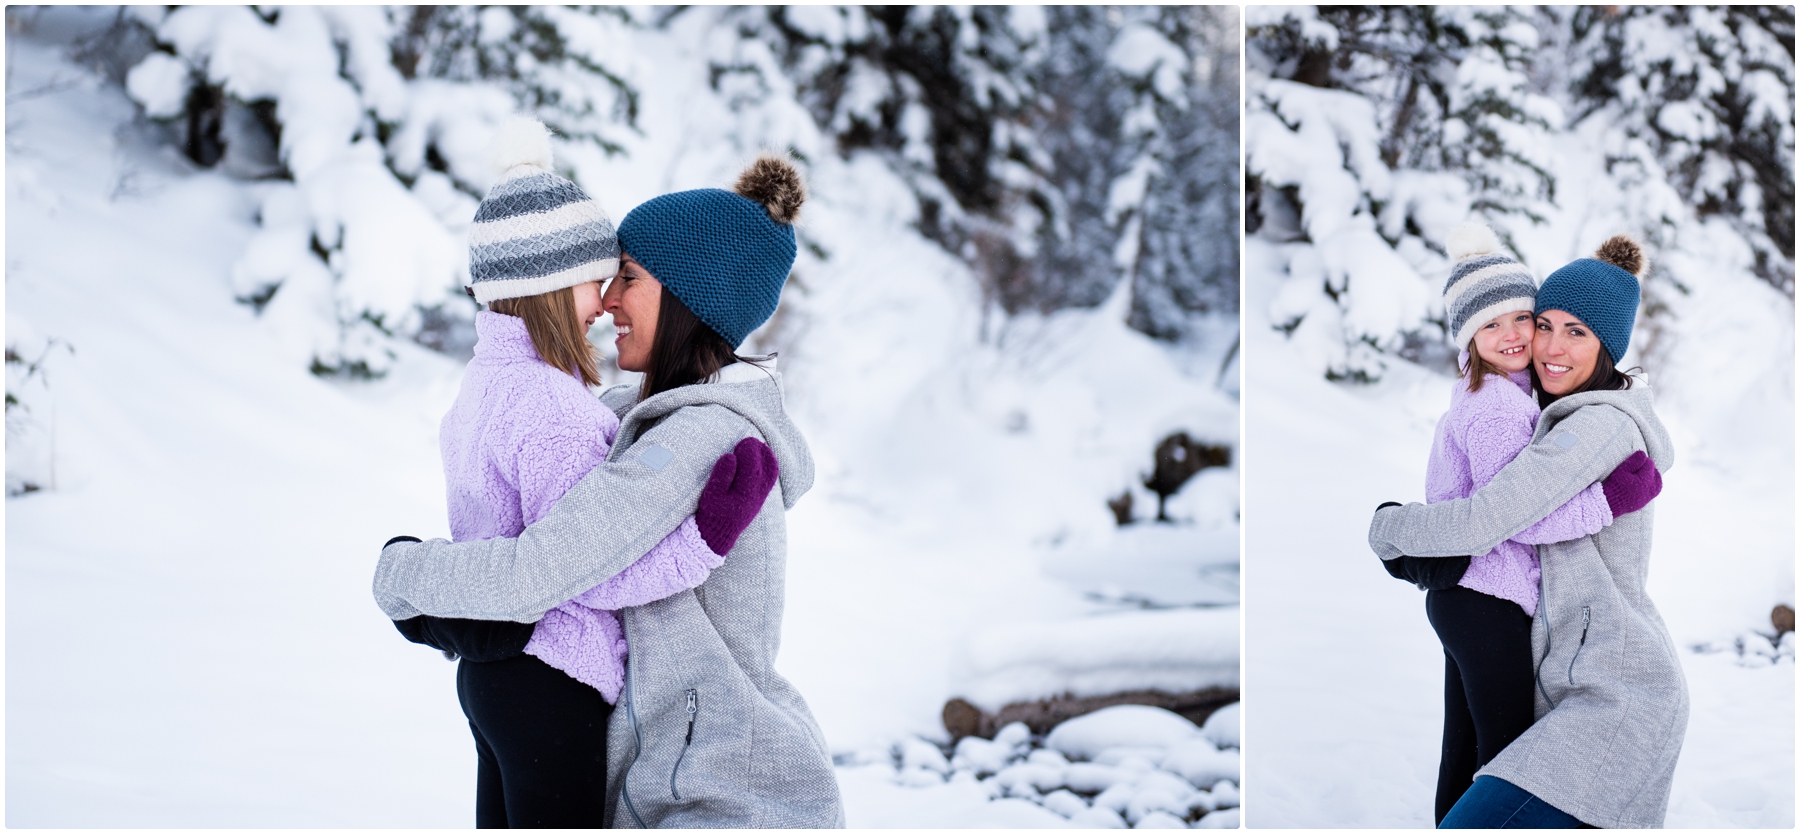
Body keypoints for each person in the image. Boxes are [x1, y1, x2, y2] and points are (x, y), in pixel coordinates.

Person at [374, 150, 845, 828]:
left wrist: (407, 574)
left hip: (718, 795)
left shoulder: (696, 437)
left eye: (628, 276)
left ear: (688, 294)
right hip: (672, 779)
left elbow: (547, 570)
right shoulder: (632, 421)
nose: (608, 299)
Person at [1369, 234, 1682, 828]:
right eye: (1545, 323)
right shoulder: (1520, 406)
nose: (1547, 345)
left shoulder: (1590, 427)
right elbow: (1499, 513)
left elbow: (1494, 517)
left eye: (1577, 332)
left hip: (1609, 686)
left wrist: (1393, 530)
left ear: (1608, 347)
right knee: (1469, 769)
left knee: (1475, 776)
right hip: (1539, 644)